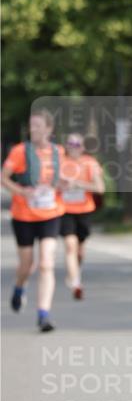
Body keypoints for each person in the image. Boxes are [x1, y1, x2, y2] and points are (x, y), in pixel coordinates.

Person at [1, 109, 65, 332]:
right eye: (31, 125)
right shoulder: (20, 152)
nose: (33, 130)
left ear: (49, 129)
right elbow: (3, 178)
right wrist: (21, 191)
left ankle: (43, 314)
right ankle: (19, 287)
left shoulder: (59, 152)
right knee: (27, 265)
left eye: (38, 125)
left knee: (47, 262)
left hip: (51, 213)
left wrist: (64, 184)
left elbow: (64, 178)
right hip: (24, 215)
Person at [57, 133, 105, 300]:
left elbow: (100, 188)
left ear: (82, 147)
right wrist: (60, 185)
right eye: (70, 144)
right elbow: (48, 184)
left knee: (80, 251)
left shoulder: (90, 163)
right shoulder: (60, 163)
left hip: (84, 210)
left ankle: (75, 271)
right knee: (70, 245)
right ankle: (76, 283)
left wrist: (79, 184)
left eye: (77, 144)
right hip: (64, 210)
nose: (73, 147)